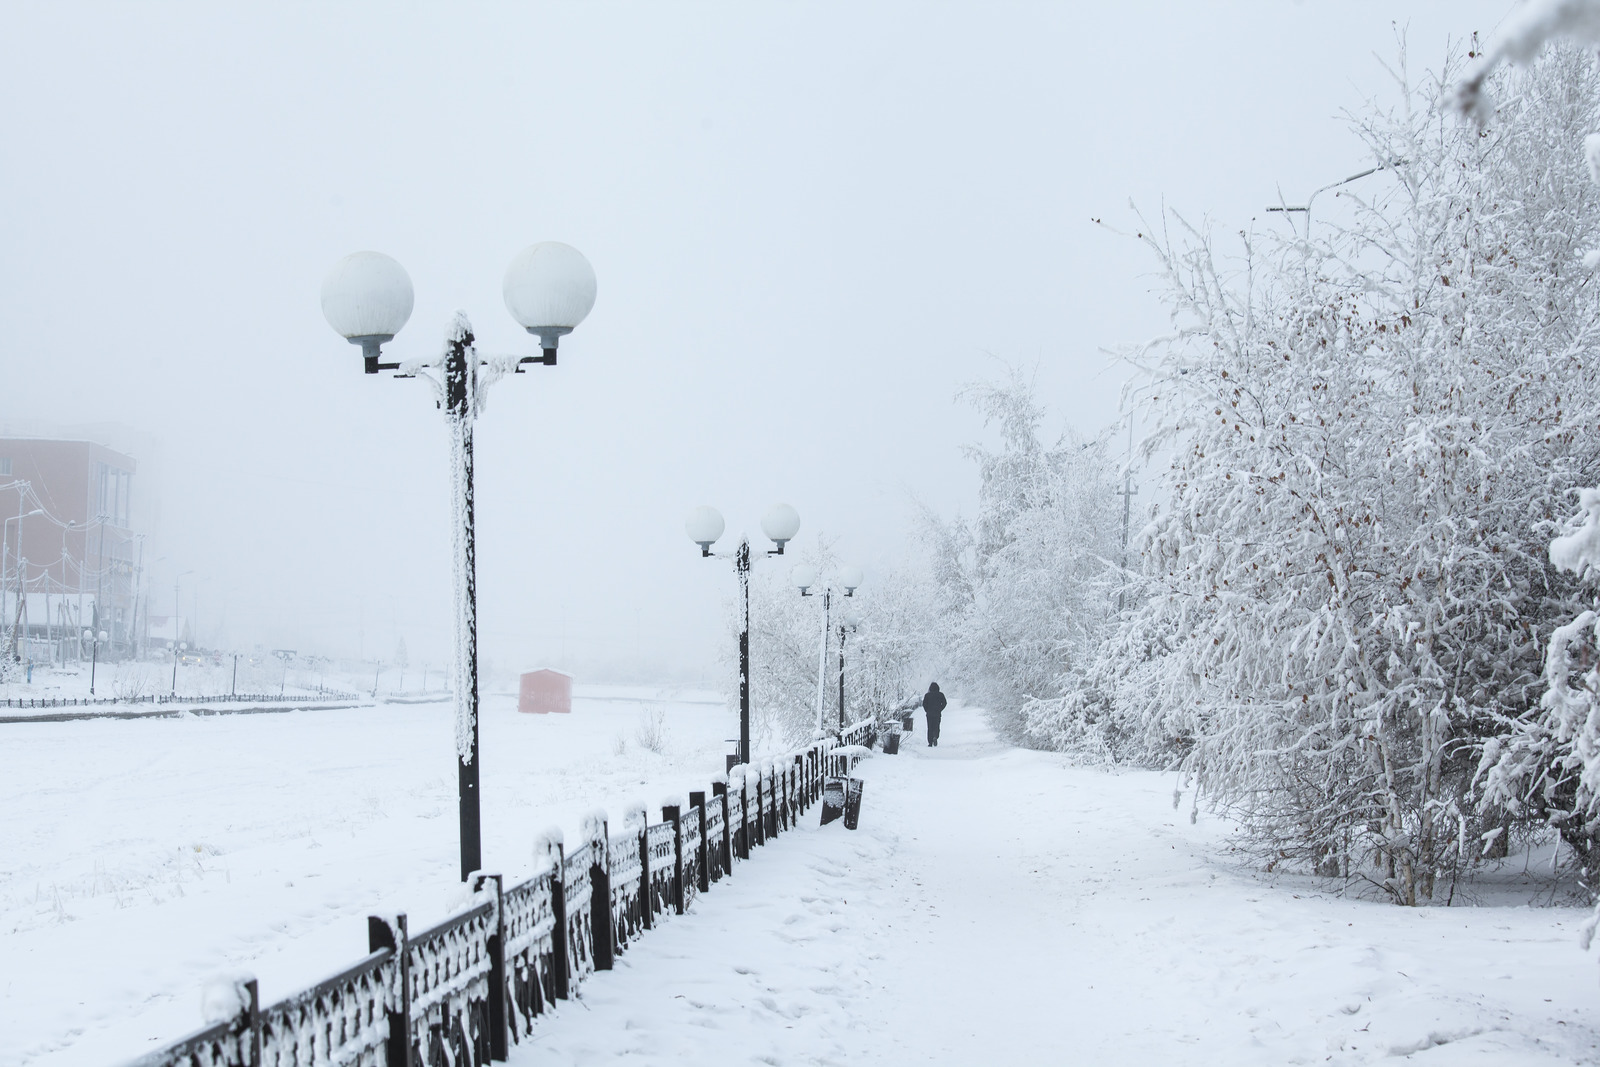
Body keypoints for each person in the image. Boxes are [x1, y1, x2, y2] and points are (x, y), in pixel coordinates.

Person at [922, 682, 947, 747]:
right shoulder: (941, 695)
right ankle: (935, 736)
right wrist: (940, 709)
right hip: (937, 713)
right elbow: (944, 703)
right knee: (936, 726)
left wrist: (927, 710)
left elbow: (924, 704)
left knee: (930, 727)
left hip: (929, 714)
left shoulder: (927, 695)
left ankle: (930, 742)